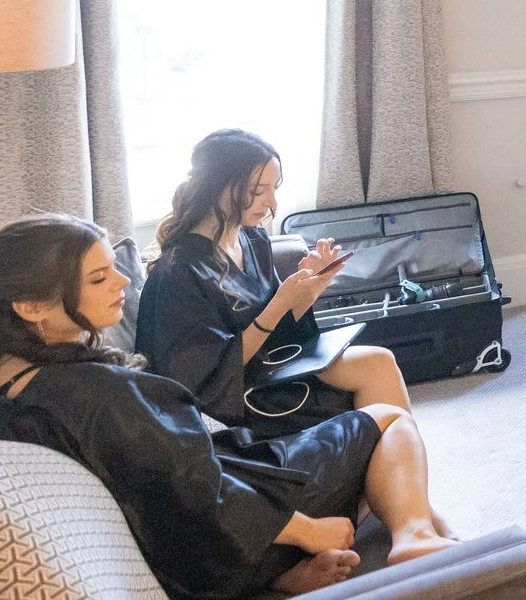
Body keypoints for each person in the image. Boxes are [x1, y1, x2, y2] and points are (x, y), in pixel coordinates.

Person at [0, 214, 456, 600]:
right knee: (389, 418)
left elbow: (155, 485)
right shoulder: (101, 394)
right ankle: (411, 534)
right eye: (100, 278)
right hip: (222, 552)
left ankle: (287, 573)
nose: (123, 281)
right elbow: (195, 487)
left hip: (182, 559)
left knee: (349, 423)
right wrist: (305, 529)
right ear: (31, 306)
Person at [138, 129, 416, 441]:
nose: (271, 202)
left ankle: (402, 473)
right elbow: (202, 376)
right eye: (259, 190)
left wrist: (308, 290)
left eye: (274, 189)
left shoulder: (252, 239)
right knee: (369, 401)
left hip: (272, 367)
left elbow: (284, 337)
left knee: (379, 361)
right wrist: (281, 303)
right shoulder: (179, 272)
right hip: (234, 396)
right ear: (219, 187)